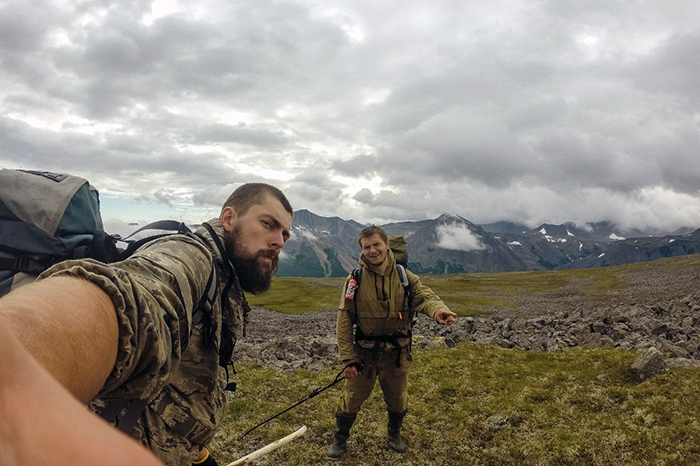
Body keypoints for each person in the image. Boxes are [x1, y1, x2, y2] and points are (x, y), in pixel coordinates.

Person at [0, 183, 293, 466]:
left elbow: (179, 384)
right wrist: (15, 362)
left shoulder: (225, 276)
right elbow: (135, 300)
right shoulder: (191, 257)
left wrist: (198, 454)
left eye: (285, 234)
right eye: (268, 224)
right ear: (228, 218)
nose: (279, 241)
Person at [327, 225, 457, 459]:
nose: (372, 250)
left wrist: (439, 311)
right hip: (364, 353)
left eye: (376, 244)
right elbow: (344, 317)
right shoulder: (354, 279)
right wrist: (348, 359)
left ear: (387, 245)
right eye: (367, 247)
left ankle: (394, 434)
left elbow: (424, 297)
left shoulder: (405, 277)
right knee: (352, 399)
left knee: (398, 399)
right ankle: (340, 439)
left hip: (396, 355)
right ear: (362, 250)